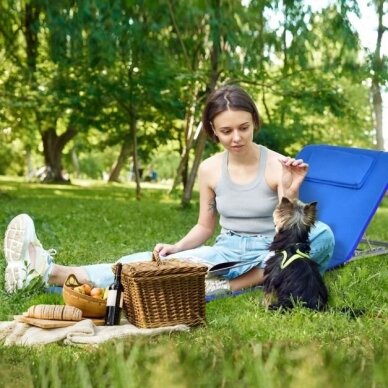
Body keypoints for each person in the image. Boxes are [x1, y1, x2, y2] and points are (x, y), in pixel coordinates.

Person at [3, 85, 335, 296]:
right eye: (226, 130)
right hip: (228, 250)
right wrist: (176, 247)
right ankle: (48, 272)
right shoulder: (209, 170)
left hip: (269, 250)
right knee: (151, 266)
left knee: (323, 236)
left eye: (244, 128)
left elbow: (288, 234)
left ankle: (236, 285)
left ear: (255, 123)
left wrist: (290, 192)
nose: (236, 137)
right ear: (212, 132)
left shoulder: (277, 164)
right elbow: (206, 227)